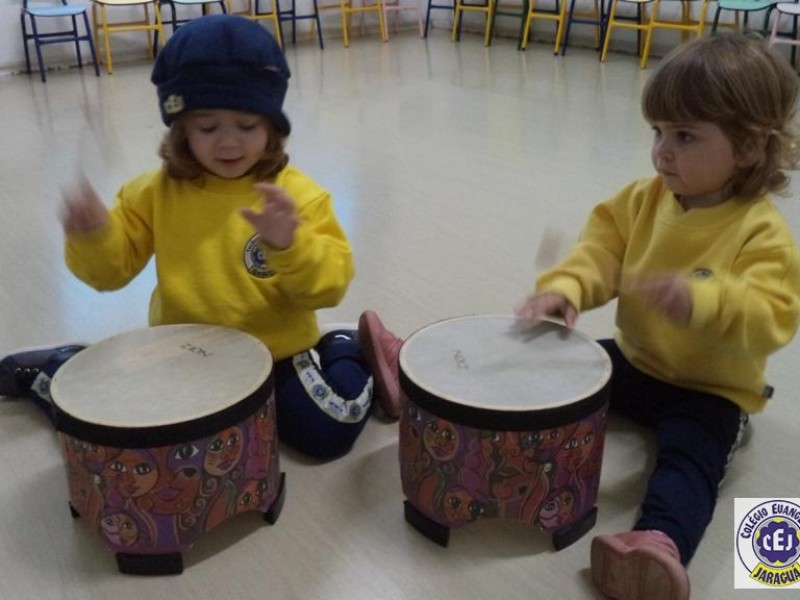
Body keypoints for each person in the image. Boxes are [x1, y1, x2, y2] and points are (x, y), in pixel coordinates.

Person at [0, 14, 404, 459]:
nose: (228, 143)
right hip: (182, 353)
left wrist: (291, 246)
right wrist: (93, 234)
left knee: (330, 429)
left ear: (272, 127)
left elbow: (330, 286)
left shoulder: (296, 198)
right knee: (116, 430)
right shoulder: (153, 192)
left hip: (277, 357)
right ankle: (56, 365)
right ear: (181, 128)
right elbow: (108, 275)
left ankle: (345, 345)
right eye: (207, 127)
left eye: (247, 125)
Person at [515, 34, 800, 600]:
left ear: (747, 148)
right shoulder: (643, 199)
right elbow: (600, 252)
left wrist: (705, 299)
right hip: (637, 358)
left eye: (685, 136)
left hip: (709, 387)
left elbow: (772, 315)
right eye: (658, 133)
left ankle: (655, 544)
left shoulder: (762, 234)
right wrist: (567, 288)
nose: (662, 152)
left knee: (687, 462)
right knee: (558, 366)